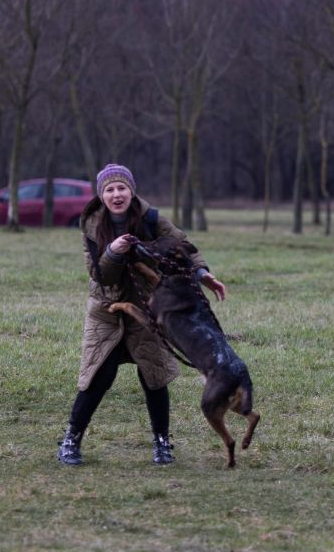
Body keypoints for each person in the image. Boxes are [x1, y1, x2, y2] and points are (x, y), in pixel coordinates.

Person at [56, 164, 227, 466]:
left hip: (146, 309)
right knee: (98, 376)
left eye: (121, 188)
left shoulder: (150, 219)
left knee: (154, 376)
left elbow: (182, 246)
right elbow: (101, 276)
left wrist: (202, 274)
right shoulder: (93, 226)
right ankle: (71, 440)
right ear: (102, 195)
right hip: (105, 312)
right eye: (109, 189)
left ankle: (162, 443)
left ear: (131, 191)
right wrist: (112, 252)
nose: (116, 194)